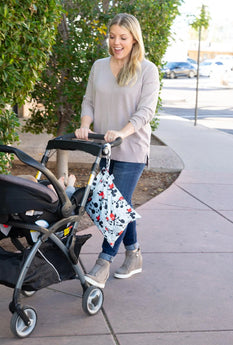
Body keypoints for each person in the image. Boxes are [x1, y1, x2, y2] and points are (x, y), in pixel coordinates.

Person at [75, 13, 159, 288]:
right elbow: (89, 101)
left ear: (134, 39)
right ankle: (133, 254)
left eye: (122, 37)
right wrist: (85, 125)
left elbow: (145, 112)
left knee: (115, 207)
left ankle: (104, 261)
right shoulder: (99, 66)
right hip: (103, 147)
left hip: (131, 147)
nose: (116, 42)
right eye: (112, 36)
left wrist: (122, 132)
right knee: (122, 204)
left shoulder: (147, 70)